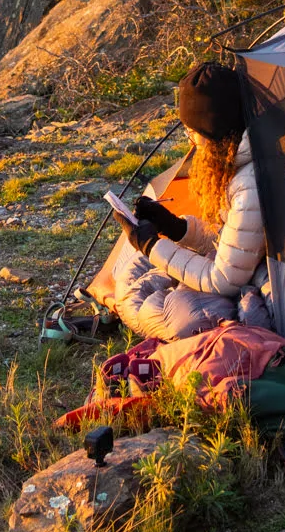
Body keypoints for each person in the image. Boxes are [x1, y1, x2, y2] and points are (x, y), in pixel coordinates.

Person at [112, 61, 272, 341]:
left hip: (261, 286)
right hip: (242, 272)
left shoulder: (249, 185)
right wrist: (176, 229)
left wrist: (152, 245)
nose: (191, 140)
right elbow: (234, 241)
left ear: (213, 131)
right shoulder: (237, 164)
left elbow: (224, 278)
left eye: (192, 131)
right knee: (132, 271)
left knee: (180, 316)